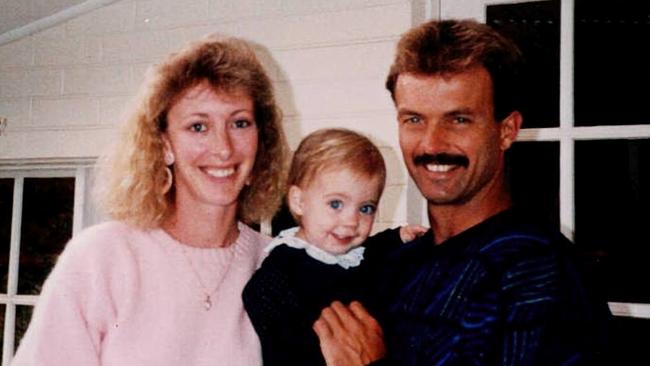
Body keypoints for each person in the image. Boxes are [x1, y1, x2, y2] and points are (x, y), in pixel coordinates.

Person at [313, 19, 611, 365]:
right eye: (414, 119)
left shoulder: (537, 275)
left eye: (459, 120)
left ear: (507, 130)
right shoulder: (397, 264)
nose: (431, 143)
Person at [12, 35, 288, 365]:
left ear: (262, 138)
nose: (223, 148)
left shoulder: (278, 264)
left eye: (240, 123)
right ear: (165, 145)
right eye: (198, 126)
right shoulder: (104, 257)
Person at [242, 128, 426, 366]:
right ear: (299, 201)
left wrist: (398, 236)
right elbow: (260, 301)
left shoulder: (353, 254)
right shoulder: (282, 269)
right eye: (336, 204)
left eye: (365, 208)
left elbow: (374, 249)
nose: (351, 221)